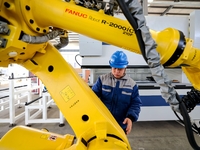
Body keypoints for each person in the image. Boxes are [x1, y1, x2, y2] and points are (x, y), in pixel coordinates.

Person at [92, 50, 142, 135]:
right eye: (114, 68)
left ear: (125, 68)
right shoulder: (102, 80)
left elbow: (135, 104)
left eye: (120, 69)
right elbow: (92, 97)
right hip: (103, 122)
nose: (116, 71)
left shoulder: (132, 85)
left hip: (121, 124)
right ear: (111, 66)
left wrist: (130, 118)